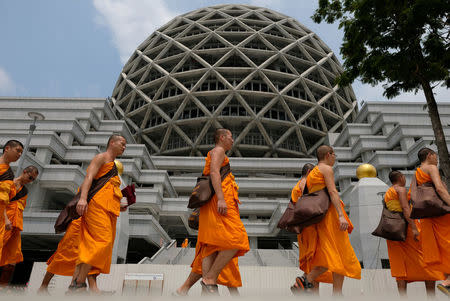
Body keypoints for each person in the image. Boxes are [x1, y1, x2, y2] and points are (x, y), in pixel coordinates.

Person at [293, 145, 361, 295]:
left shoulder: (312, 174)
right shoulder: (325, 169)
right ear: (328, 154)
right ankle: (307, 280)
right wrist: (341, 215)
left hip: (320, 219)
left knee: (337, 254)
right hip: (330, 217)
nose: (335, 158)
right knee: (338, 252)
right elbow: (332, 192)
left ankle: (336, 293)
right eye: (334, 155)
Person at [192, 128, 249, 295]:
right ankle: (210, 278)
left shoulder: (219, 152)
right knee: (239, 238)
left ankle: (208, 287)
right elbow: (214, 172)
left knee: (212, 245)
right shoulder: (218, 151)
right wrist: (222, 198)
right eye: (231, 137)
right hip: (219, 202)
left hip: (218, 202)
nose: (233, 140)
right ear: (222, 137)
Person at [68, 134, 127, 292]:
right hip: (96, 206)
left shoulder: (114, 167)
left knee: (96, 244)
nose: (124, 146)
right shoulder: (101, 157)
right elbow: (89, 177)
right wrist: (82, 198)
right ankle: (80, 282)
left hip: (109, 209)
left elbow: (108, 190)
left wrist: (120, 205)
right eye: (122, 143)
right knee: (102, 241)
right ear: (112, 142)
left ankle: (76, 283)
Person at [385, 170, 443, 297]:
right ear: (400, 178)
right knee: (426, 259)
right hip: (407, 229)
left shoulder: (387, 193)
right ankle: (431, 296)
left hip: (393, 232)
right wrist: (414, 228)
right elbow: (406, 209)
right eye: (403, 177)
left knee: (400, 265)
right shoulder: (400, 190)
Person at [411, 148, 450, 296]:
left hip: (428, 214)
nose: (437, 159)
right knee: (447, 241)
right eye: (436, 156)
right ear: (429, 155)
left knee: (440, 245)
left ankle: (447, 280)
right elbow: (439, 188)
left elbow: (413, 195)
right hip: (441, 211)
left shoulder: (417, 172)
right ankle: (447, 281)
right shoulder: (432, 167)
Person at [0, 166, 38, 285]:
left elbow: (19, 209)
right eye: (30, 177)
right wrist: (6, 220)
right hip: (3, 223)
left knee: (13, 258)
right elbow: (2, 203)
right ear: (24, 172)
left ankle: (3, 288)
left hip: (15, 227)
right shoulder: (9, 183)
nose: (30, 180)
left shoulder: (25, 191)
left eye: (33, 180)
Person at [289, 163, 317, 293]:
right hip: (309, 227)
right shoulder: (304, 183)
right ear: (310, 171)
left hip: (304, 228)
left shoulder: (298, 185)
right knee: (315, 259)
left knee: (312, 261)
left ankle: (305, 284)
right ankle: (303, 281)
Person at [0, 140, 23, 262]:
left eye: (21, 153)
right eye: (17, 151)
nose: (19, 154)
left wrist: (5, 218)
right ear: (7, 148)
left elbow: (4, 201)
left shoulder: (9, 174)